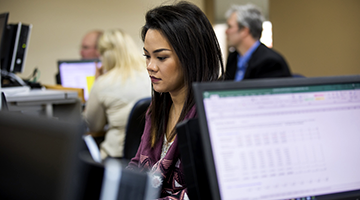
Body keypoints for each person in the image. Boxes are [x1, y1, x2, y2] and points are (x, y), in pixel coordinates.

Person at [126, 1, 224, 199]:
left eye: (161, 57)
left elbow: (207, 192)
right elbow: (137, 165)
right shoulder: (157, 109)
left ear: (191, 57)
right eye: (147, 56)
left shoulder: (213, 116)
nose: (150, 66)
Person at [83, 29, 151, 159]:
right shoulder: (152, 76)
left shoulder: (103, 83)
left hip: (116, 157)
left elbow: (93, 126)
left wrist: (96, 82)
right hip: (149, 155)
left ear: (105, 55)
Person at [224, 4, 292, 81]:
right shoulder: (233, 58)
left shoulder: (270, 62)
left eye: (230, 26)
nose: (226, 31)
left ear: (244, 31)